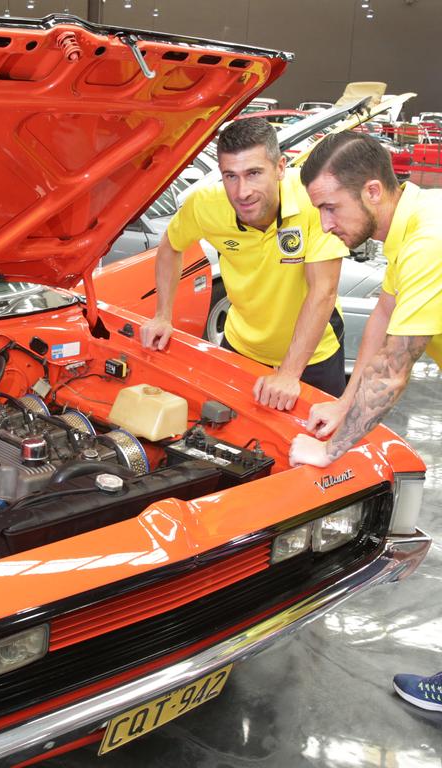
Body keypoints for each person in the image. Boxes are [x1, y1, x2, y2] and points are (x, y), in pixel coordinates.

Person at [285, 131, 442, 713]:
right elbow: (384, 314)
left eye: (331, 206)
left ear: (372, 190)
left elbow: (395, 369)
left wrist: (332, 451)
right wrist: (342, 404)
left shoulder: (427, 239)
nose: (324, 223)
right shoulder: (415, 216)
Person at [141, 118, 348, 409]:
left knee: (316, 447)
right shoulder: (205, 205)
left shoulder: (312, 202)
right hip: (241, 349)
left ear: (279, 168)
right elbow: (170, 247)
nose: (242, 192)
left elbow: (323, 290)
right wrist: (163, 315)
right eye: (230, 176)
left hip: (314, 358)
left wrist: (289, 374)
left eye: (253, 173)